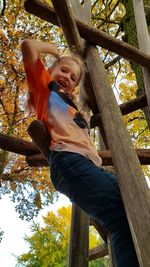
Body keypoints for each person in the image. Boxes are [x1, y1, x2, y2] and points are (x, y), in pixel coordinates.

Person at [21, 39, 139, 267]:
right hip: (69, 162)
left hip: (88, 166)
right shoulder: (45, 92)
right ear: (49, 71)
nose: (67, 76)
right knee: (120, 218)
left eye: (73, 77)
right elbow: (28, 46)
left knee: (134, 198)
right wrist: (53, 51)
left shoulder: (72, 107)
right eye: (63, 70)